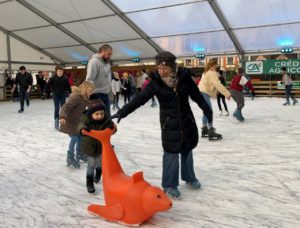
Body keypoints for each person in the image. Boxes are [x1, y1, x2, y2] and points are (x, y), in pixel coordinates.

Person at [111, 51, 213, 199]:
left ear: (173, 67)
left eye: (164, 68)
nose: (161, 71)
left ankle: (189, 177)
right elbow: (139, 99)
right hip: (168, 122)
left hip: (186, 119)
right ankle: (170, 185)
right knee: (171, 152)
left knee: (187, 148)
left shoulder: (184, 78)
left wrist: (207, 109)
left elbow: (196, 95)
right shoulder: (155, 83)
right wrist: (122, 112)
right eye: (159, 67)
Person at [78, 98, 116, 193]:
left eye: (102, 114)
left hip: (102, 147)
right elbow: (81, 124)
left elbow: (111, 125)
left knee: (101, 162)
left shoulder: (106, 119)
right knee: (91, 164)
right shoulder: (85, 119)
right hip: (90, 146)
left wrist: (113, 128)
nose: (100, 116)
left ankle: (98, 172)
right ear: (91, 114)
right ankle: (89, 181)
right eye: (97, 114)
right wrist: (83, 129)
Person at [59, 81, 95, 168]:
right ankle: (70, 157)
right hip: (68, 122)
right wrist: (62, 117)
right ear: (85, 90)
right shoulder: (76, 97)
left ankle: (79, 154)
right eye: (90, 92)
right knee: (74, 138)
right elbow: (65, 107)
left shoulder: (85, 98)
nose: (91, 94)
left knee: (80, 137)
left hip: (77, 123)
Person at [198, 59, 231, 140]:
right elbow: (217, 84)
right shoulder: (212, 73)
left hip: (201, 92)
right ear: (213, 65)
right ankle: (211, 130)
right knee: (209, 111)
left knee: (206, 111)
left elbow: (209, 82)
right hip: (203, 93)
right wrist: (227, 93)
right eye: (216, 65)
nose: (217, 66)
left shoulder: (205, 72)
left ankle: (205, 129)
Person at [86, 44, 113, 116]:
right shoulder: (94, 62)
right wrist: (92, 95)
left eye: (111, 54)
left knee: (107, 118)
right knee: (96, 119)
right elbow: (90, 79)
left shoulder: (106, 63)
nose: (110, 56)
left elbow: (106, 78)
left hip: (105, 95)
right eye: (108, 54)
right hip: (96, 95)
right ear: (102, 52)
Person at [44, 66, 71, 130]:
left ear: (63, 72)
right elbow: (47, 85)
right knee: (57, 107)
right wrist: (44, 92)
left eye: (61, 71)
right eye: (59, 71)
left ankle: (63, 120)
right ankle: (56, 120)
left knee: (63, 107)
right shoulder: (52, 78)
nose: (60, 73)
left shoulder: (65, 78)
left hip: (62, 94)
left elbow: (68, 86)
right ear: (56, 72)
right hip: (55, 95)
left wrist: (70, 92)